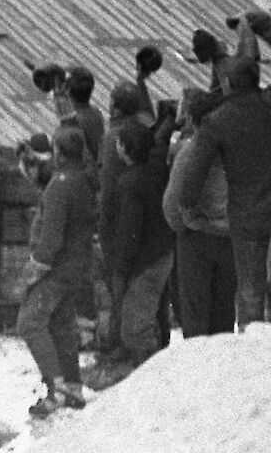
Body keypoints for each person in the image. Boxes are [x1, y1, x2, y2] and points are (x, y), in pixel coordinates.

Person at [176, 5, 271, 327]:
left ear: (226, 85)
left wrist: (187, 206)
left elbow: (194, 170)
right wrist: (270, 29)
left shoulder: (216, 123)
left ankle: (251, 341)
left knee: (251, 286)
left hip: (247, 214)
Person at [96, 82, 178, 366]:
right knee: (154, 299)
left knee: (128, 304)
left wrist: (115, 251)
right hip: (161, 243)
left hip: (132, 244)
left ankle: (138, 359)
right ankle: (158, 343)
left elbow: (115, 207)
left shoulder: (116, 147)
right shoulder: (151, 149)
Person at [19, 127, 98, 416]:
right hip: (77, 266)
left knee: (30, 322)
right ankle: (73, 387)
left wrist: (33, 270)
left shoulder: (60, 185)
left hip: (56, 269)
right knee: (61, 326)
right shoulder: (85, 180)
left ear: (59, 153)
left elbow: (51, 239)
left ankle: (57, 388)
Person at [162, 89, 237, 337]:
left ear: (192, 119)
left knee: (195, 313)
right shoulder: (234, 147)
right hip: (231, 236)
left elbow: (172, 205)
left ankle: (198, 368)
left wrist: (183, 226)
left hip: (196, 238)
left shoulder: (189, 151)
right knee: (224, 311)